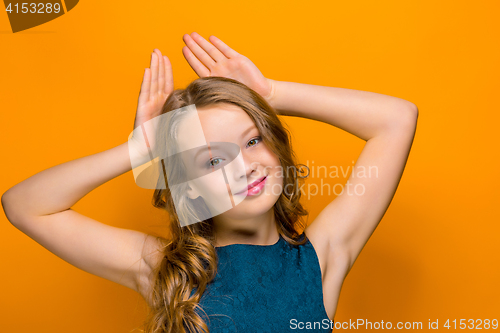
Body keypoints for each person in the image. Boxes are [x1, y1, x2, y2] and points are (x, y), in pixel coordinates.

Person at [1, 32, 418, 333]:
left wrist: (269, 93)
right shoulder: (167, 269)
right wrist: (140, 151)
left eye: (253, 140)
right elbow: (25, 205)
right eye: (215, 159)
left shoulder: (321, 256)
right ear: (190, 187)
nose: (244, 166)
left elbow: (396, 120)